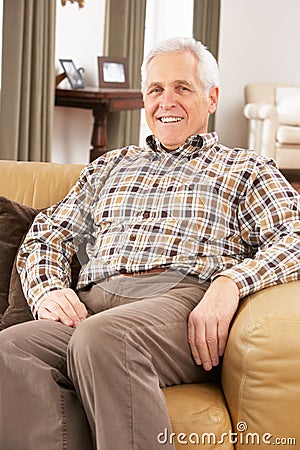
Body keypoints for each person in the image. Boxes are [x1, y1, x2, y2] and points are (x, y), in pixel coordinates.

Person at [0, 37, 299, 450]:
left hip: (177, 304)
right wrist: (48, 287)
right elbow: (49, 232)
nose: (166, 101)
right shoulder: (109, 167)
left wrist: (231, 283)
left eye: (182, 87)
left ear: (211, 97)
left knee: (104, 339)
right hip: (92, 305)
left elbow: (295, 236)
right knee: (9, 349)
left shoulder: (245, 168)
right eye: (156, 90)